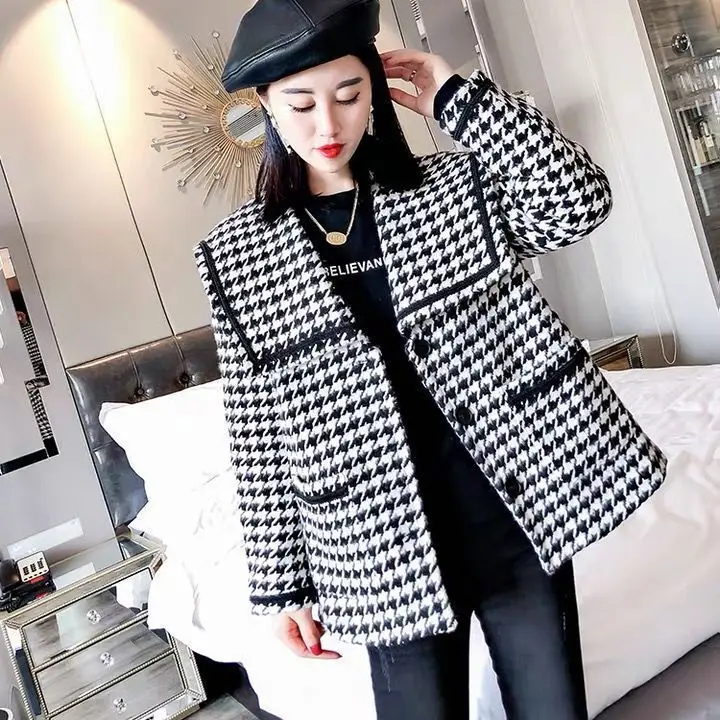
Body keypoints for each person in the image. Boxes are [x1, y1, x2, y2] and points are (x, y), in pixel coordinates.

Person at [195, 1, 667, 718]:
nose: (328, 125)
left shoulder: (451, 191)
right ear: (265, 105)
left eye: (349, 95)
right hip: (378, 543)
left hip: (510, 510)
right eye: (301, 104)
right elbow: (256, 429)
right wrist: (283, 585)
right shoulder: (236, 257)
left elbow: (578, 204)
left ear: (375, 89)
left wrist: (457, 98)